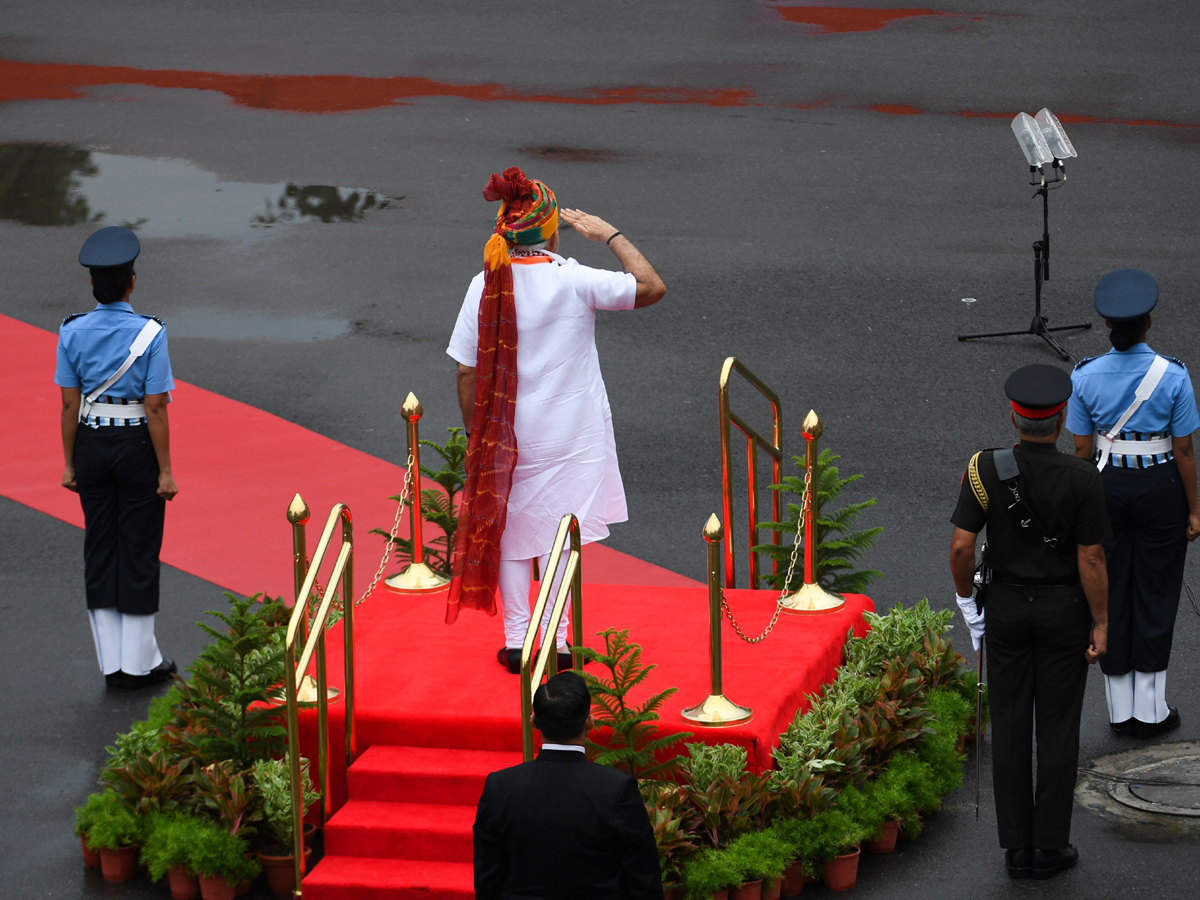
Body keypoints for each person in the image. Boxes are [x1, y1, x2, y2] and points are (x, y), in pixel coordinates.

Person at [445, 167, 666, 672]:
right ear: (549, 229)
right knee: (559, 535)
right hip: (570, 436)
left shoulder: (484, 284)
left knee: (512, 533)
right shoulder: (573, 280)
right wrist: (607, 233)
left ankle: (518, 641)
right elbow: (651, 286)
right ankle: (559, 644)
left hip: (505, 435)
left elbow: (465, 369)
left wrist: (478, 433)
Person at [950, 364, 1110, 880]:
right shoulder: (1084, 477)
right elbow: (1091, 560)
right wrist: (1101, 621)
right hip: (1064, 613)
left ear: (1014, 416)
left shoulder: (984, 468)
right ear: (1061, 419)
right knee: (1059, 730)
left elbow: (961, 545)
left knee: (1012, 726)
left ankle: (1016, 847)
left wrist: (968, 604)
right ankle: (1050, 844)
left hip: (1006, 609)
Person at [1067, 268, 1200, 738]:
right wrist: (1194, 509)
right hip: (1161, 486)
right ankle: (1152, 709)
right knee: (1157, 591)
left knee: (1110, 588)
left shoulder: (1083, 375)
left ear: (1106, 326)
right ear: (1148, 323)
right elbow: (1183, 449)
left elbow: (1082, 451)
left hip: (1105, 487)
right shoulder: (1175, 375)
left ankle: (1119, 709)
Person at [55, 225, 178, 689]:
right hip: (135, 447)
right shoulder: (151, 333)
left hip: (90, 446)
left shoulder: (71, 330)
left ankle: (113, 664)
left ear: (93, 285)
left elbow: (70, 404)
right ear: (131, 283)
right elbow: (155, 407)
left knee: (101, 547)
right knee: (140, 549)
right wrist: (165, 470)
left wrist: (69, 464)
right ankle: (138, 664)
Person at [473, 671, 663, 900]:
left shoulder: (499, 787)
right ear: (590, 722)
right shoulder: (617, 790)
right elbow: (644, 881)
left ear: (534, 722)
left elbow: (487, 881)